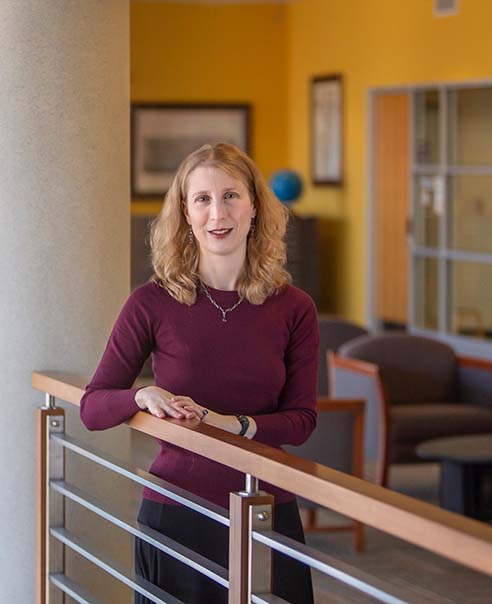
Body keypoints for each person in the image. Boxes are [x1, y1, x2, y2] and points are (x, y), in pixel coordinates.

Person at [80, 143, 318, 604]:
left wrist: (233, 425)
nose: (217, 213)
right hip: (178, 510)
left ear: (254, 207)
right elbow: (93, 408)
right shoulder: (150, 302)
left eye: (230, 196)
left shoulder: (295, 308)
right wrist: (141, 396)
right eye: (202, 199)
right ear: (186, 213)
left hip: (266, 507)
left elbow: (302, 421)